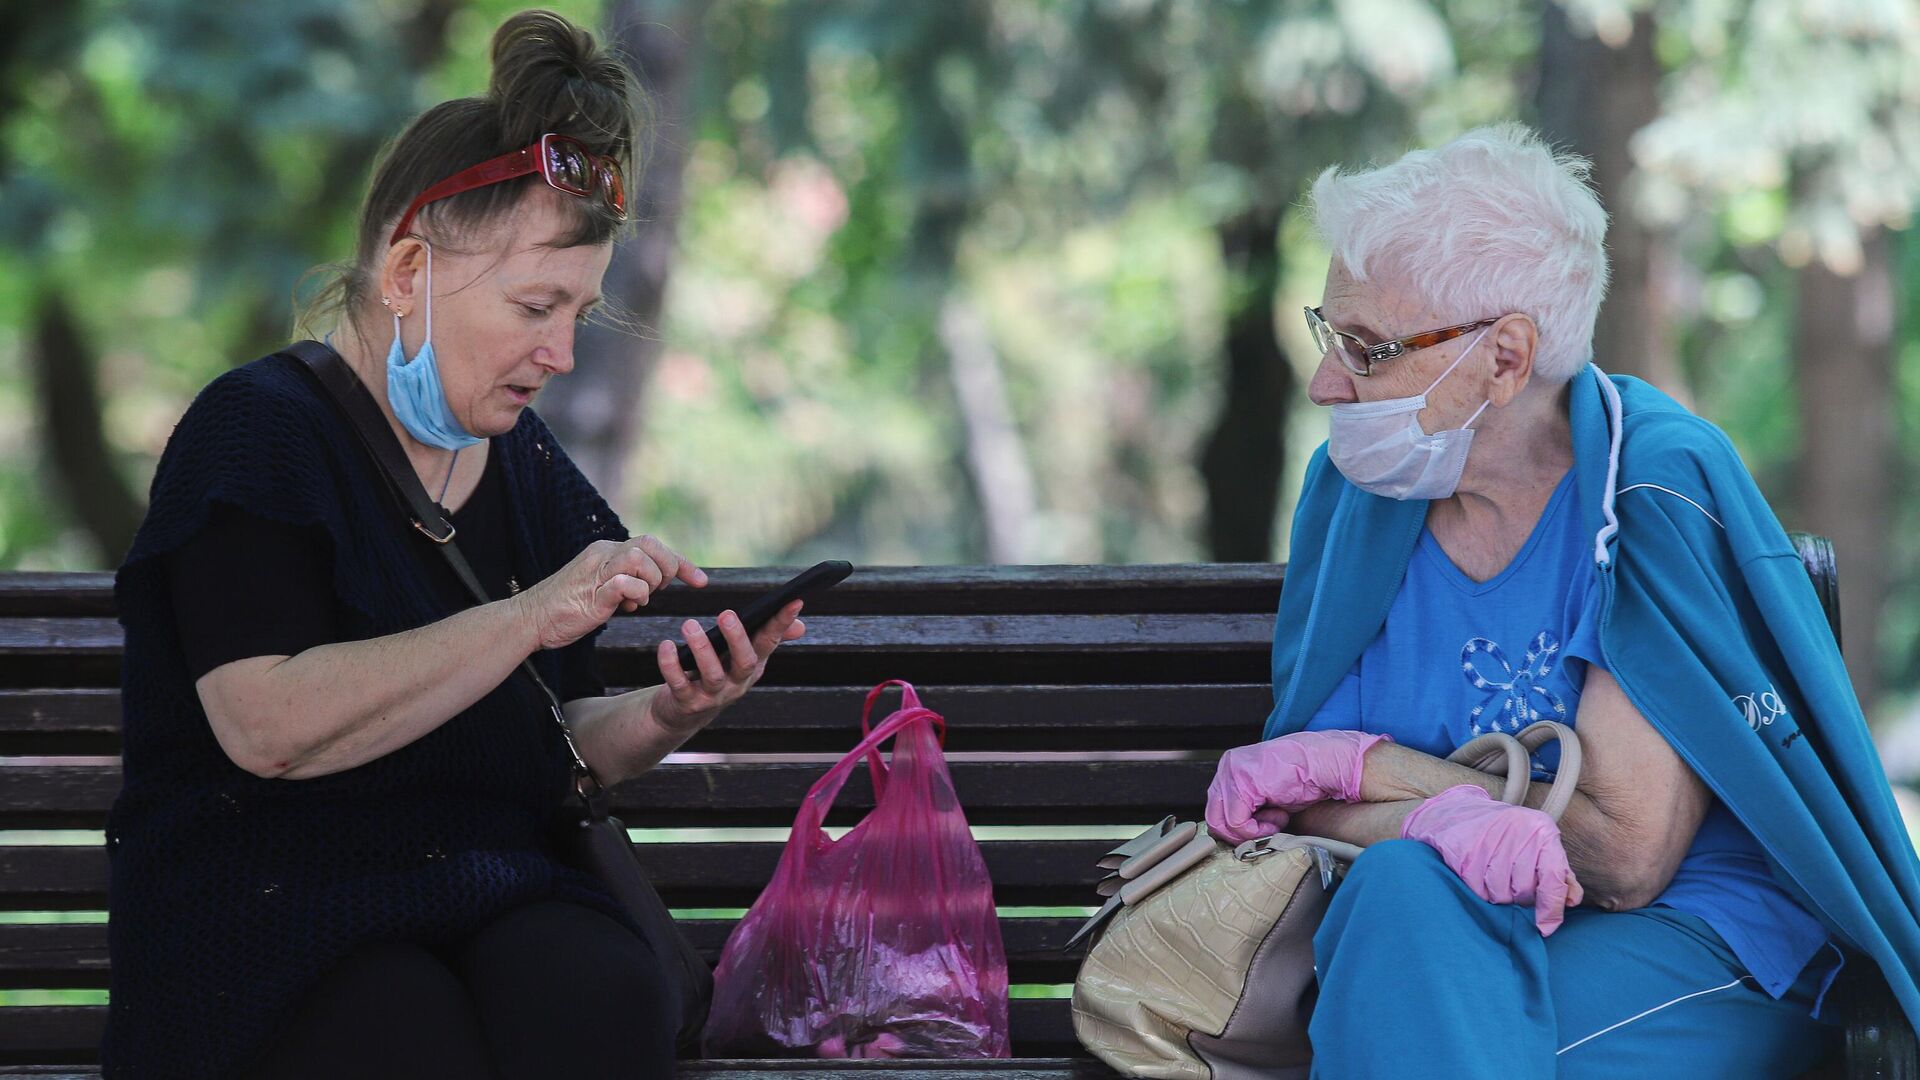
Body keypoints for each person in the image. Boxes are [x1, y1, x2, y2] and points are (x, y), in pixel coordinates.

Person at [101, 11, 802, 1079]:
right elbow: (265, 726)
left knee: (605, 995)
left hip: (483, 881)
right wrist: (527, 613)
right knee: (403, 1031)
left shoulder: (522, 463)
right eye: (534, 305)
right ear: (406, 273)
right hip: (269, 909)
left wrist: (664, 714)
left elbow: (559, 729)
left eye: (580, 313)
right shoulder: (255, 435)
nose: (560, 353)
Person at [1205, 124, 1920, 1078]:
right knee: (1403, 897)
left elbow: (1621, 857)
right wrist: (1442, 823)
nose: (1327, 383)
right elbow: (1301, 812)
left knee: (1421, 1025)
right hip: (1432, 925)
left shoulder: (1651, 485)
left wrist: (1387, 774)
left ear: (1505, 358)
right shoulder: (1356, 498)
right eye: (1328, 334)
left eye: (1368, 349)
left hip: (1693, 939)